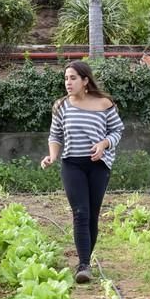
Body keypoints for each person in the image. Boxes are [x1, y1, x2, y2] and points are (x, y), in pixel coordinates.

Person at [41, 61, 124, 284]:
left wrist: (104, 144)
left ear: (85, 81)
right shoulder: (61, 106)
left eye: (73, 78)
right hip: (72, 164)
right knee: (80, 213)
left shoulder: (104, 104)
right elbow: (55, 136)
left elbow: (117, 130)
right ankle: (84, 265)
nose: (68, 83)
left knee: (93, 215)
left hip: (98, 165)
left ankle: (85, 259)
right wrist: (52, 156)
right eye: (66, 78)